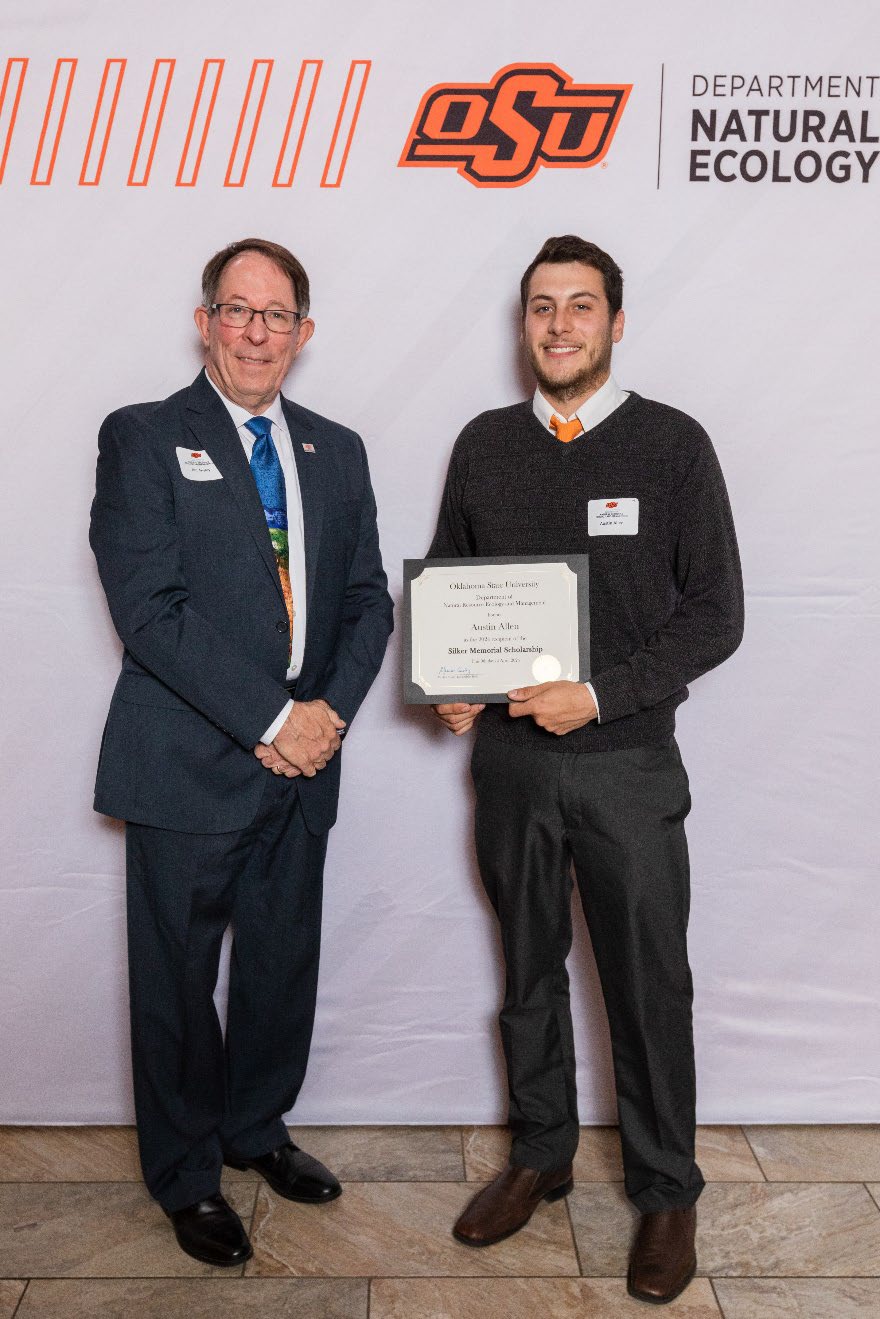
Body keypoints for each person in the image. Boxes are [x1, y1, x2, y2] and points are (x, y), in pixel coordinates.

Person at [428, 235, 743, 1305]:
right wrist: (452, 682)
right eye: (540, 308)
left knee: (647, 985)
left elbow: (717, 613)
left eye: (579, 306)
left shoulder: (672, 446)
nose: (558, 325)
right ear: (523, 326)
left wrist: (602, 692)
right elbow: (454, 591)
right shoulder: (481, 445)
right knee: (525, 971)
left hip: (625, 768)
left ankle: (665, 1188)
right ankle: (542, 1151)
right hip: (510, 770)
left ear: (615, 322)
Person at [90, 237, 393, 1267]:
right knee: (177, 981)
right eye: (236, 309)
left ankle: (256, 1129)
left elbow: (365, 600)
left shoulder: (335, 448)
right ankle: (185, 1173)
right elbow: (150, 609)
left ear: (304, 333)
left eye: (277, 315)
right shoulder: (141, 437)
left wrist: (326, 718)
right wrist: (276, 718)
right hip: (187, 764)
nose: (256, 331)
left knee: (278, 966)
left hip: (305, 769)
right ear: (204, 320)